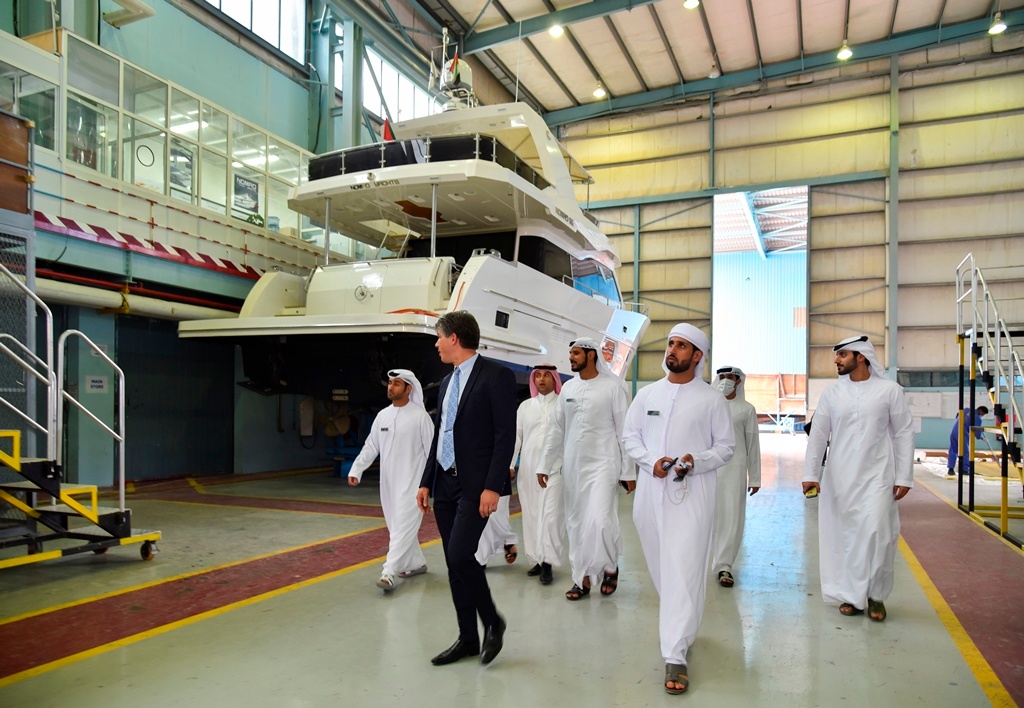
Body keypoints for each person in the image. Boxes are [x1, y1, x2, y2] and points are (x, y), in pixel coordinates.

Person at [622, 323, 735, 695]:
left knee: (684, 571)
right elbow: (630, 436)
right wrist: (650, 460)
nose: (672, 350)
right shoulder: (648, 394)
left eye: (682, 346)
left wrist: (695, 461)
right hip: (649, 498)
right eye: (671, 344)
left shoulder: (712, 400)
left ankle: (675, 653)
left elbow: (725, 447)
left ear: (697, 355)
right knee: (663, 571)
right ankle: (682, 626)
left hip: (692, 496)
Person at [416, 311, 517, 666]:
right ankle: (467, 638)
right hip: (444, 482)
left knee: (461, 554)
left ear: (454, 338)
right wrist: (426, 480)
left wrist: (493, 487)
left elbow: (505, 436)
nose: (436, 344)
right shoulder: (447, 382)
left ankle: (492, 621)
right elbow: (441, 434)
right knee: (453, 563)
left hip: (475, 485)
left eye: (439, 337)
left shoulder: (496, 376)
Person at [802, 334, 914, 624]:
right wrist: (811, 474)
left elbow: (903, 432)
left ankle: (876, 594)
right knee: (846, 536)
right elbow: (818, 434)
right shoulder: (832, 394)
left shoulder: (889, 391)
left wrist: (904, 475)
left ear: (861, 356)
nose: (836, 360)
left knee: (878, 534)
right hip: (839, 477)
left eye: (842, 355)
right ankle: (851, 595)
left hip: (879, 475)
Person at [538, 338, 634, 602]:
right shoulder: (569, 388)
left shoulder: (613, 387)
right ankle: (582, 578)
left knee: (601, 520)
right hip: (574, 467)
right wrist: (544, 465)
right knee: (577, 523)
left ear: (592, 355)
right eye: (571, 353)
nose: (571, 357)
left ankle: (609, 566)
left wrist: (628, 472)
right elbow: (556, 430)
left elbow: (624, 431)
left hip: (604, 464)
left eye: (576, 353)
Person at [347, 369, 432, 592]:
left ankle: (389, 573)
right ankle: (415, 563)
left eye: (396, 384)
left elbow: (433, 453)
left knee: (402, 526)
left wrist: (430, 484)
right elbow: (371, 446)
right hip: (388, 485)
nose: (391, 387)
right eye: (390, 383)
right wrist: (357, 469)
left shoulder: (420, 417)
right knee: (397, 527)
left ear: (409, 389)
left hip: (413, 485)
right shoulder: (383, 416)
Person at [513, 364, 565, 585]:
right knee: (532, 515)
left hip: (556, 469)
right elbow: (516, 437)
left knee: (551, 516)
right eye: (538, 376)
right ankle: (536, 559)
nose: (541, 379)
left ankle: (548, 562)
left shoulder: (563, 404)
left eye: (546, 376)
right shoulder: (525, 407)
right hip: (528, 470)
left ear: (554, 379)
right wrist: (509, 465)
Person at [710, 366, 761, 588]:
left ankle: (724, 566)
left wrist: (755, 478)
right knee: (707, 517)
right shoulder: (709, 406)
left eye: (729, 377)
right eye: (721, 376)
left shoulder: (746, 409)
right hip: (709, 469)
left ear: (738, 381)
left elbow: (753, 444)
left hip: (735, 470)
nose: (724, 380)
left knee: (731, 517)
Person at [474, 483, 518, 567]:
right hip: (474, 479)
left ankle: (506, 538)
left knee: (497, 514)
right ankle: (481, 557)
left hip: (498, 479)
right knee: (480, 516)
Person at [946, 405, 988, 476]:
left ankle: (951, 469)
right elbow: (977, 431)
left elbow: (957, 415)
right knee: (965, 452)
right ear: (980, 410)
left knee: (953, 450)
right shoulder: (977, 418)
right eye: (983, 414)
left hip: (954, 431)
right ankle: (964, 470)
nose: (982, 415)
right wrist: (981, 437)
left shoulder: (965, 410)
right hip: (962, 433)